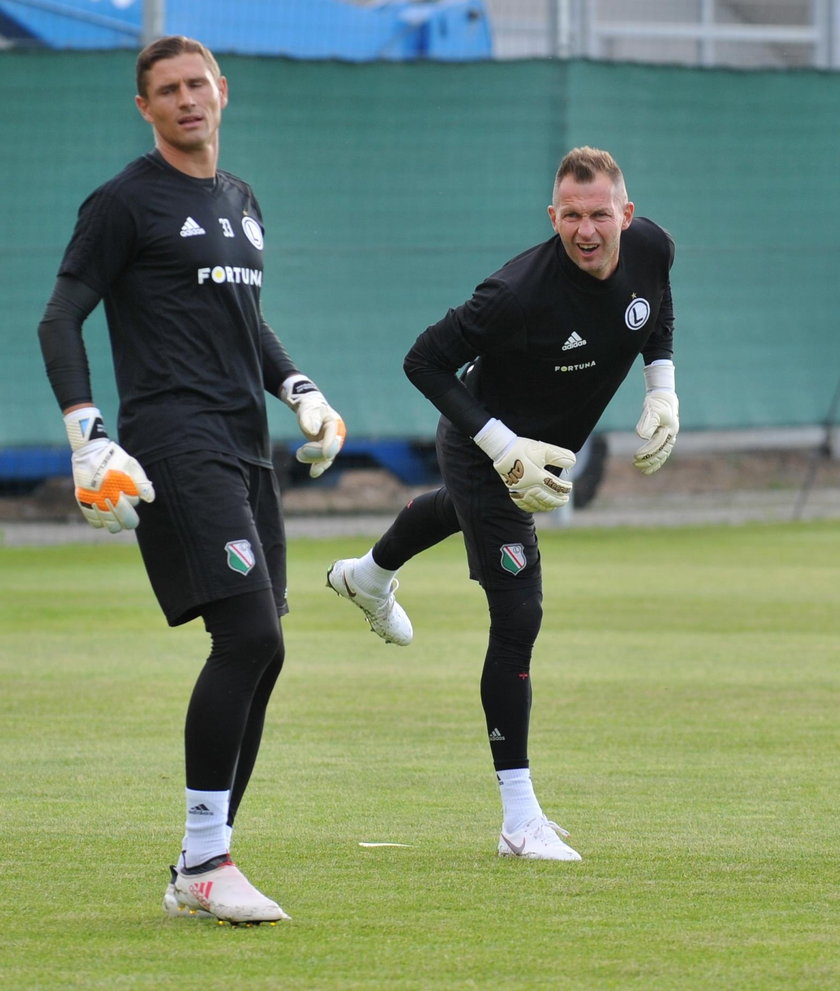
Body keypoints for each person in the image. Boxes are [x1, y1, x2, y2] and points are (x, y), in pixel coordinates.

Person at [37, 35, 345, 923]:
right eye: (165, 90)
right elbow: (61, 317)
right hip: (176, 443)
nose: (184, 100)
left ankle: (195, 865)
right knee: (245, 637)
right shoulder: (123, 202)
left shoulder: (241, 201)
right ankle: (207, 859)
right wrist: (87, 435)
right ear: (145, 108)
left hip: (248, 448)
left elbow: (243, 316)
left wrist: (300, 389)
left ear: (222, 91)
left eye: (196, 85)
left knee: (268, 648)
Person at [327, 146, 678, 861]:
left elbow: (655, 305)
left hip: (536, 448)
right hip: (483, 444)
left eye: (600, 216)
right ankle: (519, 819)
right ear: (553, 217)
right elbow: (423, 358)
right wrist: (501, 445)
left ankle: (367, 575)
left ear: (627, 215)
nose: (586, 231)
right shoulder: (516, 291)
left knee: (458, 512)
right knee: (520, 611)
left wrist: (662, 386)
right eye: (571, 217)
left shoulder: (652, 248)